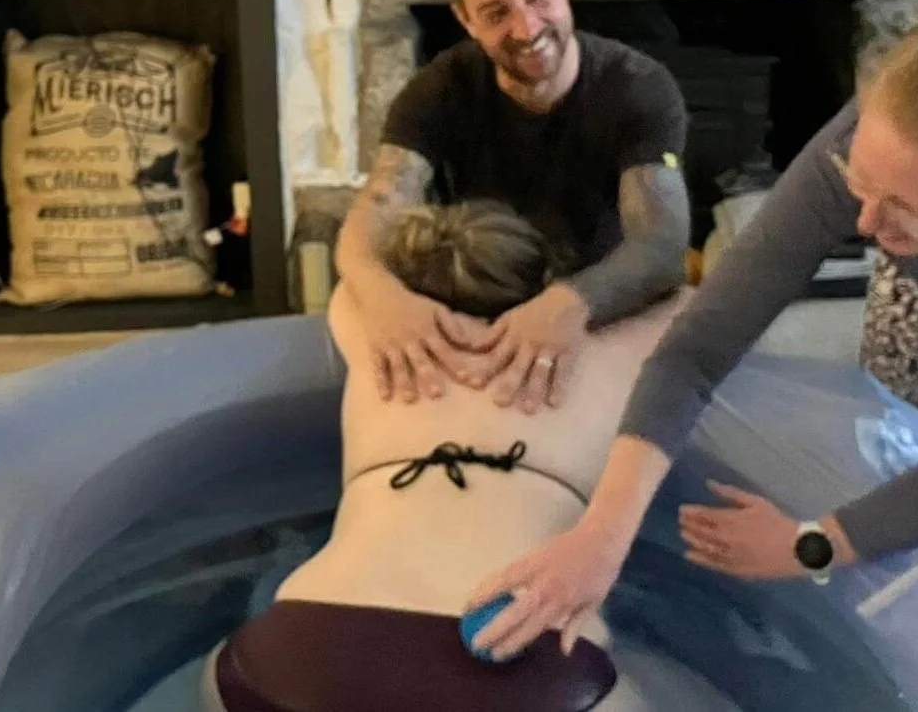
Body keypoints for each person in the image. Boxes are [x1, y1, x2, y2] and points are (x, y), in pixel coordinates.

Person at [466, 0, 918, 661]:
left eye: (902, 208)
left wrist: (813, 544)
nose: (866, 226)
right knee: (893, 428)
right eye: (862, 187)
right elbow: (698, 348)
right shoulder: (877, 146)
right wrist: (601, 535)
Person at [203, 201, 735, 712]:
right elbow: (686, 292)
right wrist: (573, 302)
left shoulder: (374, 331)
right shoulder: (607, 351)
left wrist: (396, 291)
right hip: (526, 667)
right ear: (546, 280)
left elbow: (358, 262)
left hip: (289, 657)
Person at [333, 0, 691, 413]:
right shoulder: (439, 89)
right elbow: (376, 210)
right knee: (351, 297)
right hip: (478, 309)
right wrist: (387, 298)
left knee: (685, 312)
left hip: (599, 308)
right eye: (496, 13)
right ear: (464, 18)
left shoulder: (639, 86)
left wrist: (570, 303)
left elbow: (662, 246)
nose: (526, 29)